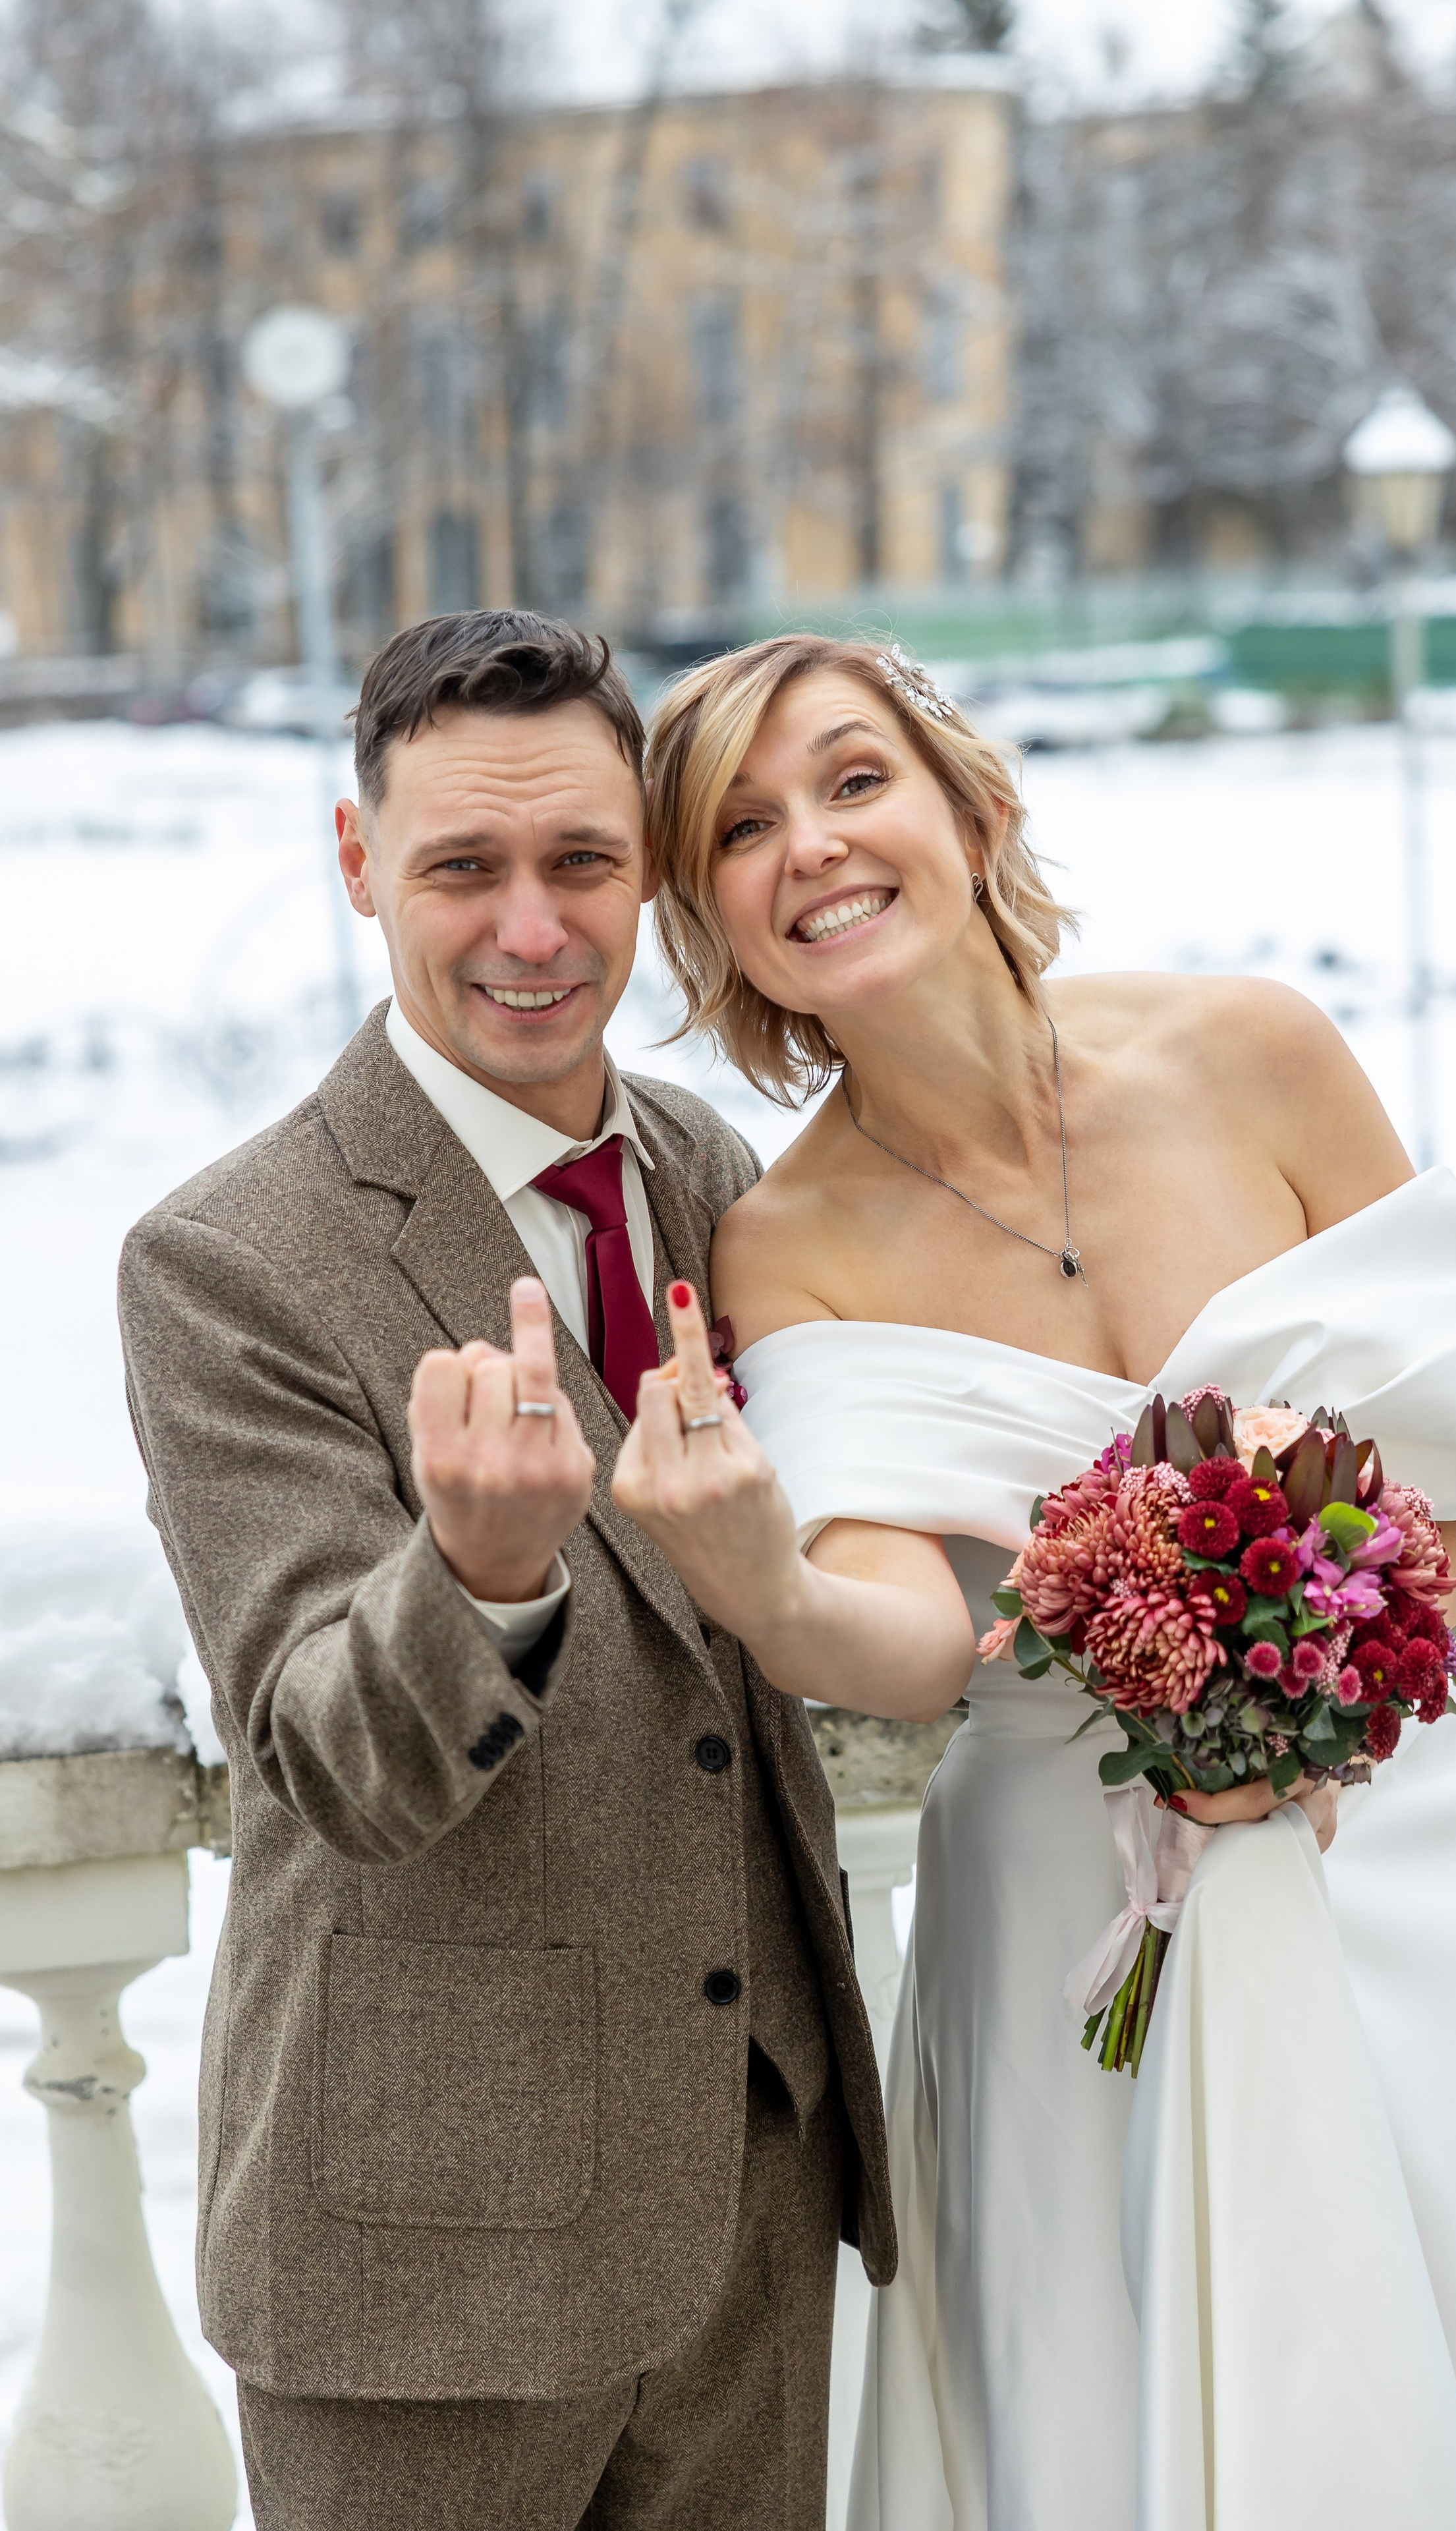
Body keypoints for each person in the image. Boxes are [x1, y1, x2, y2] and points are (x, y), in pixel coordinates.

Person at [607, 631, 1456, 2530]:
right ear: (714, 923)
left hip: (1418, 1850)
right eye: (743, 831)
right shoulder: (785, 1242)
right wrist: (763, 1583)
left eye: (856, 781)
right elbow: (920, 1637)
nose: (814, 848)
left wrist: (1310, 1701)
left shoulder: (1253, 1047)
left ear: (970, 801)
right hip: (1087, 1929)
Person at [117, 611, 892, 2531]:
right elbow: (322, 1757)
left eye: (582, 863)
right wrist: (473, 1574)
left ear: (650, 865)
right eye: (463, 866)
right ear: (361, 859)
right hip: (419, 2254)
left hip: (751, 2188)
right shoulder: (225, 1260)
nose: (531, 930)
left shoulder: (720, 1175)